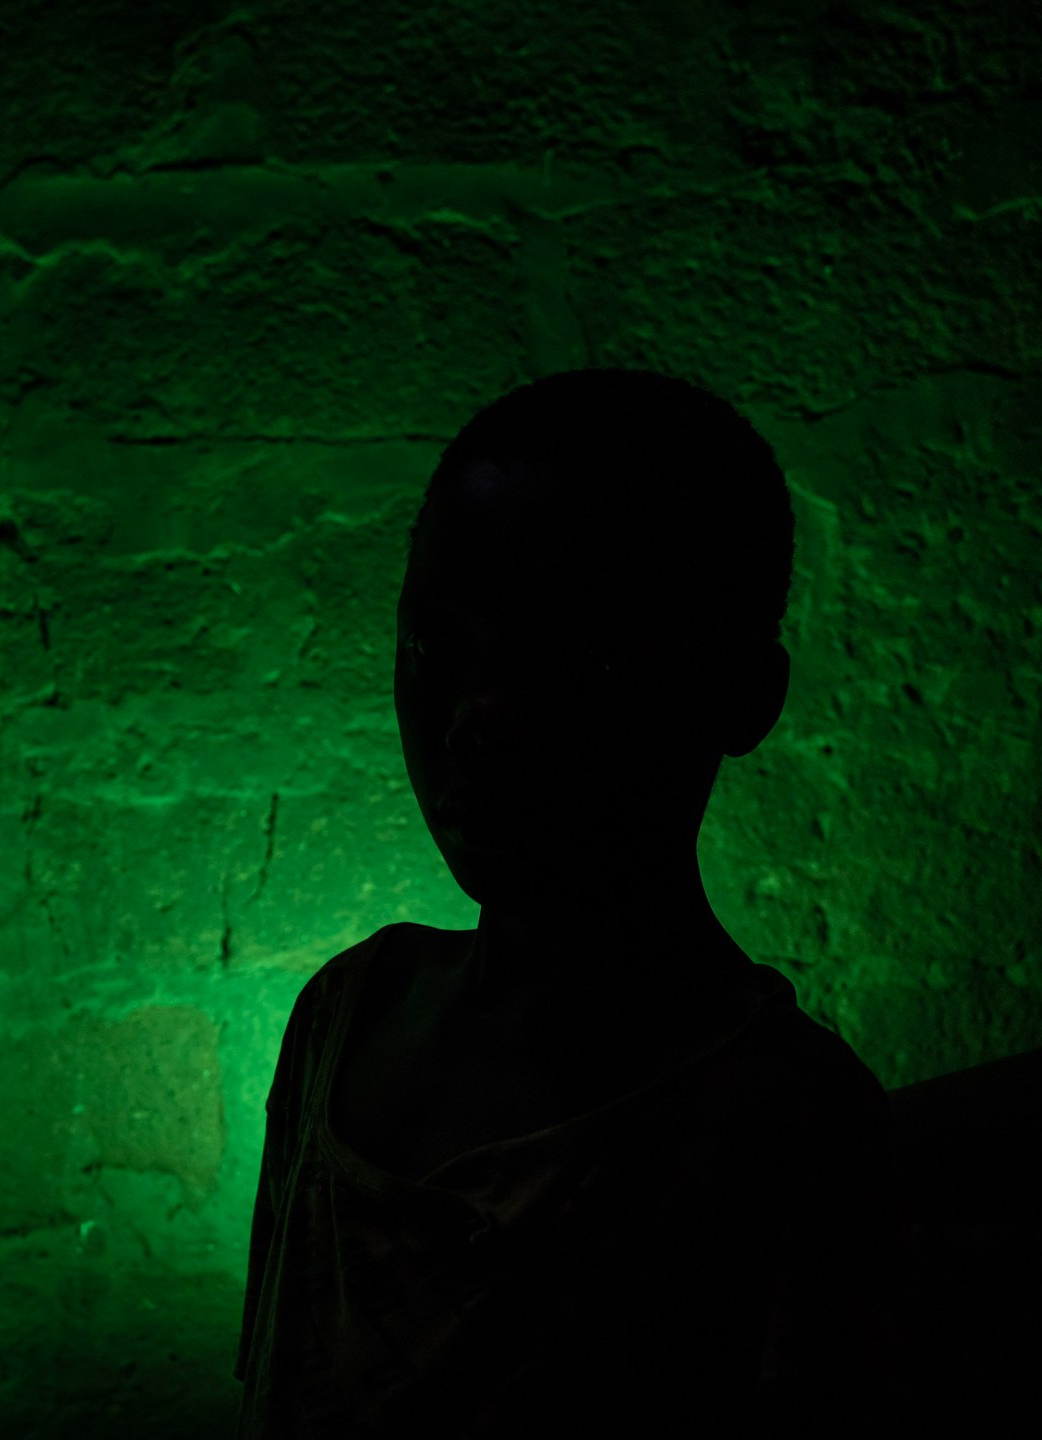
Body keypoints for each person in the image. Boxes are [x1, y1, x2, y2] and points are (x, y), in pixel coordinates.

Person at [234, 370, 915, 1437]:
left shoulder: (787, 1133)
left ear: (743, 696)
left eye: (572, 660)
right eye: (436, 647)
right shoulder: (342, 1020)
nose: (478, 718)